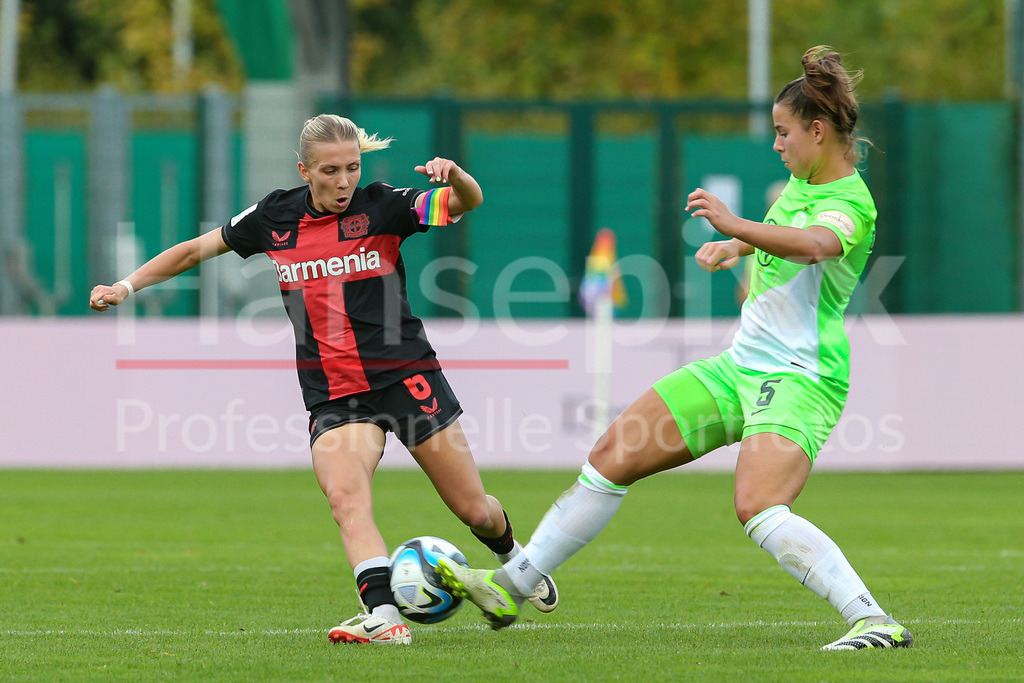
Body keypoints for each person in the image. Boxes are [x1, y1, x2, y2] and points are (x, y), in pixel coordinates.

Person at [437, 46, 913, 652]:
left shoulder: (850, 201)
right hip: (740, 366)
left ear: (817, 132)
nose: (776, 145)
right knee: (614, 452)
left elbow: (815, 244)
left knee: (759, 506)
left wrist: (735, 228)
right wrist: (738, 250)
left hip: (802, 378)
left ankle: (873, 620)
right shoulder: (802, 180)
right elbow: (787, 235)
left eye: (783, 132)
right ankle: (512, 586)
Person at [89, 114, 557, 645]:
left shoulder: (383, 205)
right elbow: (197, 249)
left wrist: (457, 176)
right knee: (345, 497)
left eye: (352, 168)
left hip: (407, 377)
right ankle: (383, 618)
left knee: (474, 507)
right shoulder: (274, 215)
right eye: (330, 171)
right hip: (334, 393)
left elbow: (465, 202)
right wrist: (126, 286)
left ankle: (516, 560)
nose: (343, 182)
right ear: (304, 171)